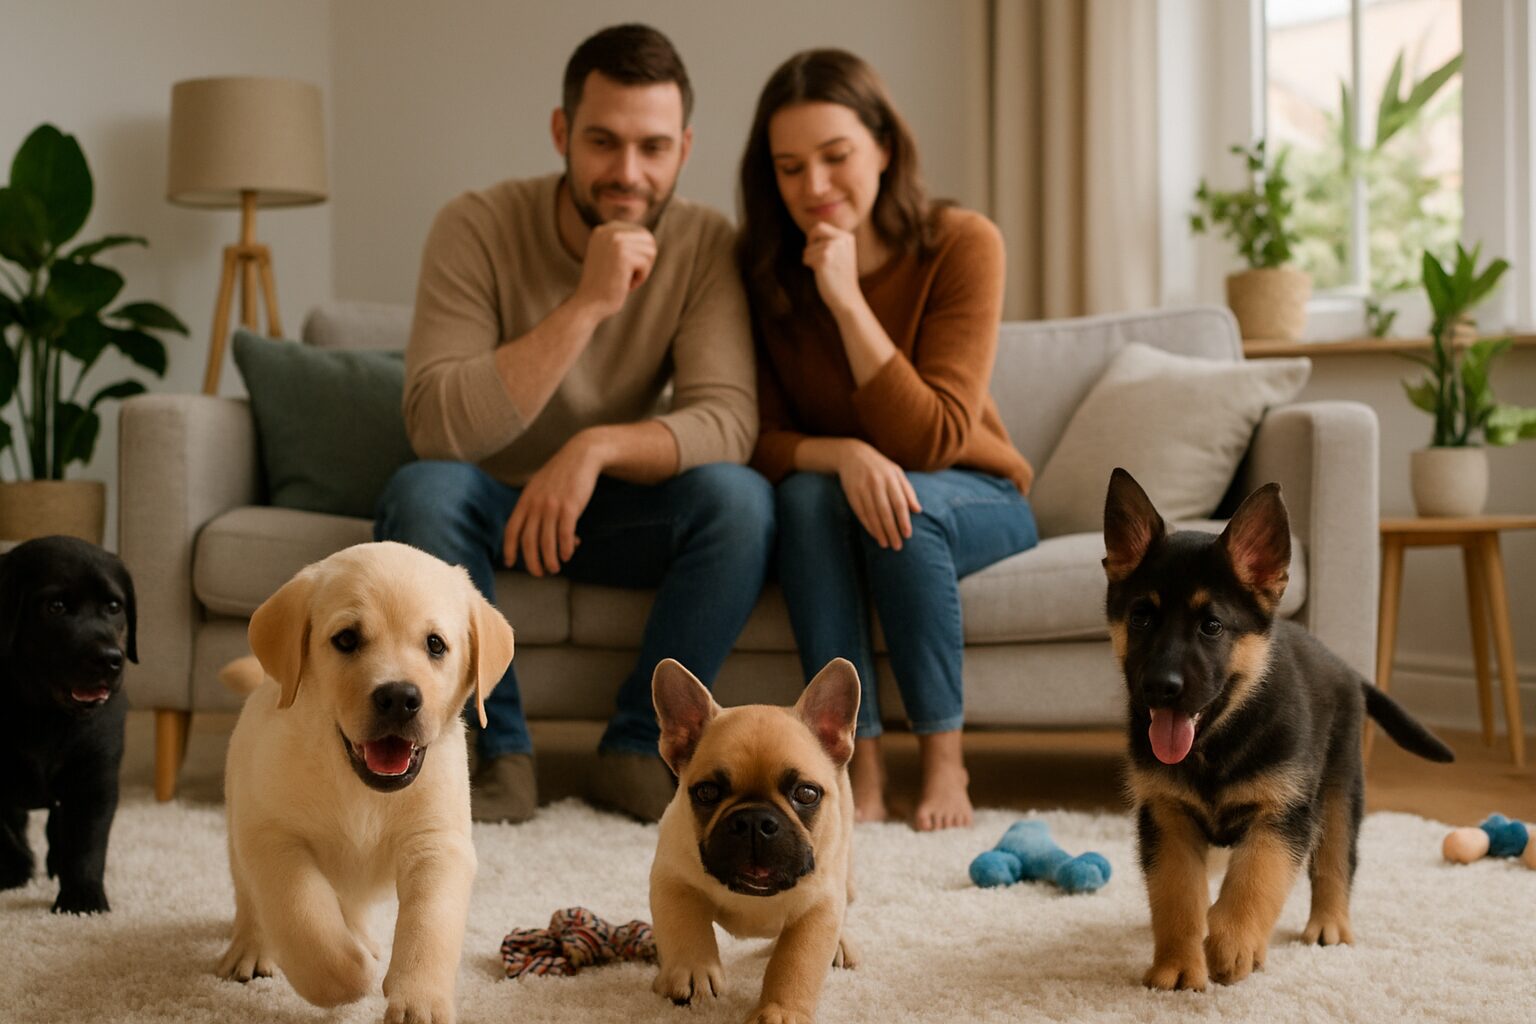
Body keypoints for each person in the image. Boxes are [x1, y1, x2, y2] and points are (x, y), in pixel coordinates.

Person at [375, 23, 772, 825]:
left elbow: (727, 421)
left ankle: (636, 749)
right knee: (423, 490)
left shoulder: (702, 244)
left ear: (685, 148)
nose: (629, 172)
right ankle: (497, 752)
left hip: (615, 506)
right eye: (603, 142)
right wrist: (588, 302)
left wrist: (593, 449)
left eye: (654, 147)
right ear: (562, 132)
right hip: (483, 503)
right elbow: (437, 426)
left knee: (742, 501)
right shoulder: (476, 226)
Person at [738, 49, 1038, 831]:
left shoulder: (963, 243)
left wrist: (844, 299)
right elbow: (759, 438)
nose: (815, 188)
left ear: (884, 147)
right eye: (790, 167)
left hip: (976, 492)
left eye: (836, 157)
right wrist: (844, 453)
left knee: (909, 509)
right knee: (806, 495)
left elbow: (936, 435)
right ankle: (850, 768)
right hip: (840, 493)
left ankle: (945, 764)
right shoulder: (763, 270)